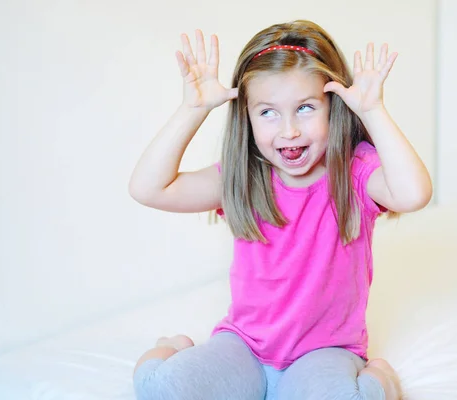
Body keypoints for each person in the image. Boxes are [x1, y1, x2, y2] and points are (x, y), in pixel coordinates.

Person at [128, 19, 432, 400]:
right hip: (245, 348)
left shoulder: (354, 171)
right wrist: (193, 109)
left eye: (305, 108)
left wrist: (373, 112)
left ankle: (380, 377)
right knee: (159, 388)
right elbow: (147, 188)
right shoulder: (242, 177)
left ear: (332, 107)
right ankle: (173, 346)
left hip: (323, 352)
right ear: (247, 117)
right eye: (268, 112)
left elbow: (414, 194)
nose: (289, 130)